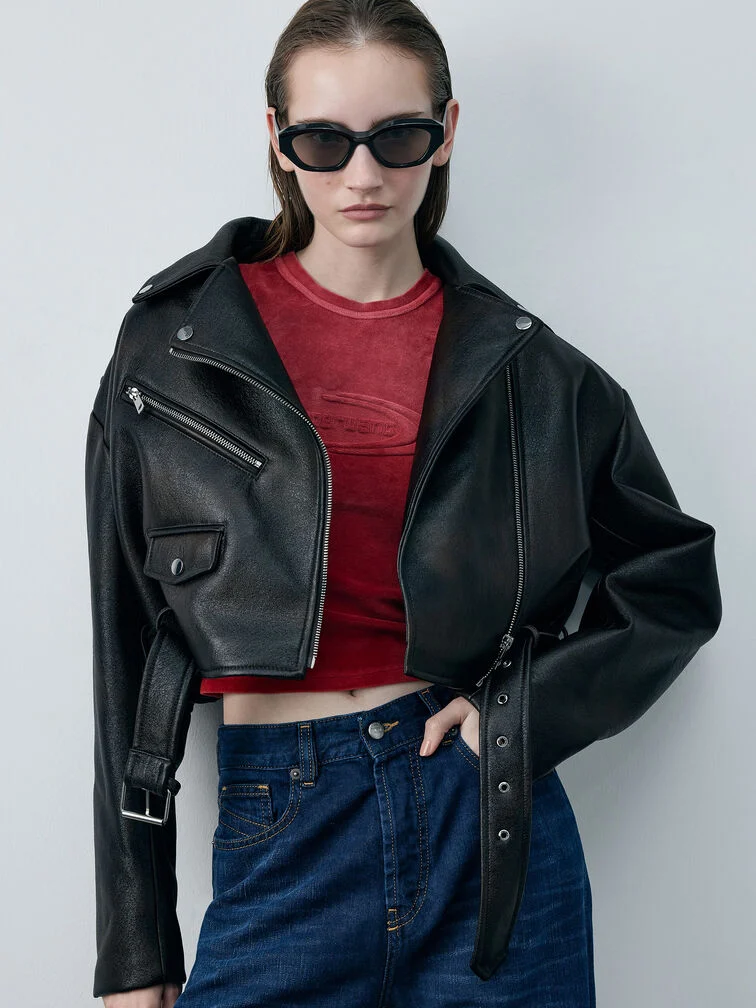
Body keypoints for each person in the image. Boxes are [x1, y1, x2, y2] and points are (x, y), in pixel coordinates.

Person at [85, 1, 722, 1005]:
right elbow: (123, 640)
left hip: (488, 822)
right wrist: (135, 946)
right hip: (280, 820)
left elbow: (672, 579)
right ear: (277, 139)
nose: (364, 175)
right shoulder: (173, 353)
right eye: (324, 141)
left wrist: (518, 715)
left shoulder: (531, 371)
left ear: (447, 132)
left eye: (398, 137)